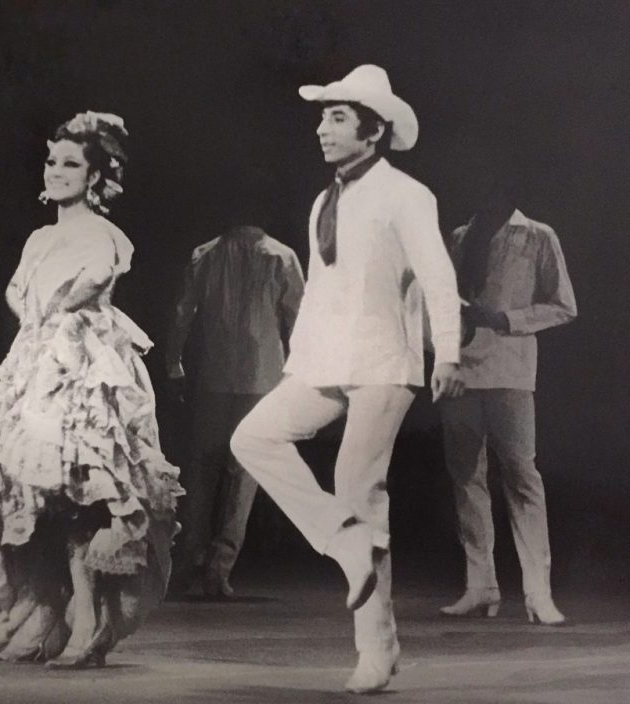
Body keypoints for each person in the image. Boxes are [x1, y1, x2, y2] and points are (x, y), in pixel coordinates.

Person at [230, 65, 464, 693]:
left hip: (384, 361)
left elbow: (438, 276)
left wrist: (447, 353)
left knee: (358, 487)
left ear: (374, 130)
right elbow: (320, 290)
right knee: (252, 438)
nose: (322, 128)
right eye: (322, 117)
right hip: (327, 359)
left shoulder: (406, 194)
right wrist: (298, 361)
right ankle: (340, 538)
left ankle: (376, 650)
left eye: (337, 117)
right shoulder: (324, 200)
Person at [0, 111, 182, 667]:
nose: (56, 171)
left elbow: (97, 276)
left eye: (70, 164)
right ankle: (13, 586)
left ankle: (85, 617)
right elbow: (17, 288)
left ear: (94, 176)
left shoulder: (102, 232)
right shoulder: (40, 236)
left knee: (74, 488)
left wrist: (59, 310)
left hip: (81, 362)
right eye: (51, 161)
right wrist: (31, 317)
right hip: (32, 358)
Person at [439, 175, 576, 625]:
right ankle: (480, 586)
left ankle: (538, 593)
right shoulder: (461, 236)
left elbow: (563, 305)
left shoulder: (537, 235)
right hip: (461, 370)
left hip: (511, 371)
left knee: (521, 476)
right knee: (466, 478)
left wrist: (505, 319)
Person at [164, 211, 305, 597]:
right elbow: (299, 319)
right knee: (243, 474)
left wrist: (173, 362)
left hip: (215, 374)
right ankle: (219, 567)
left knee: (202, 469)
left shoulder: (206, 254)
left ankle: (191, 561)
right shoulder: (281, 256)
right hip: (263, 377)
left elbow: (182, 312)